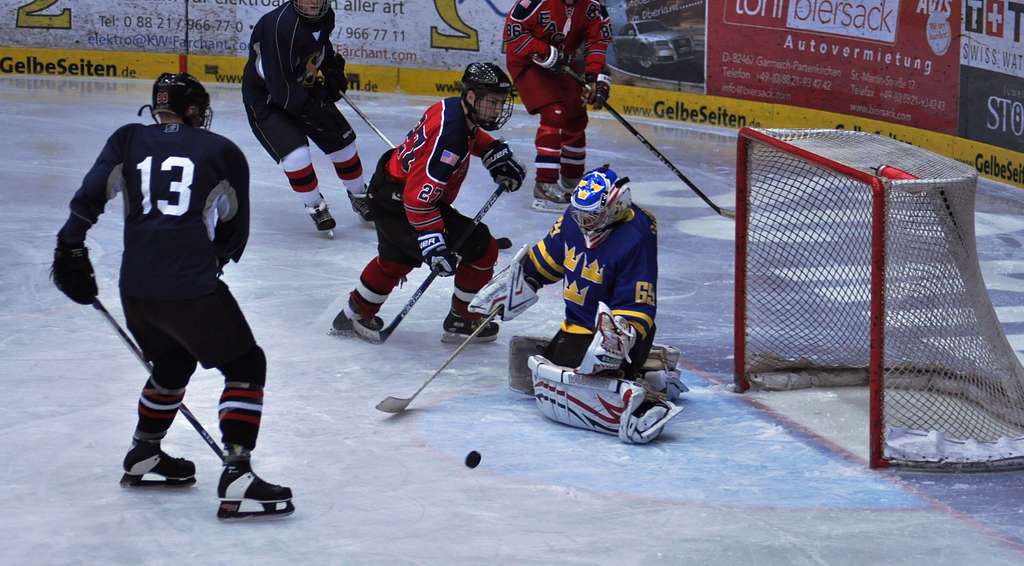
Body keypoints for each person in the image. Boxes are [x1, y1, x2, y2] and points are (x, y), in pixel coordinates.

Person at [50, 73, 293, 520]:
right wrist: (210, 263)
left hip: (135, 289)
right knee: (245, 364)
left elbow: (88, 197)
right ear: (195, 111)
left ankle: (144, 453)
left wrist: (69, 247)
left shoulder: (127, 139)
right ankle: (238, 474)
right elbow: (233, 232)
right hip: (189, 287)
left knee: (173, 363)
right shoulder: (221, 150)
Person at [469, 165, 685, 443]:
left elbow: (638, 302)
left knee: (576, 380)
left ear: (615, 207)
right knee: (540, 369)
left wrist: (617, 338)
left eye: (591, 215)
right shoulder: (573, 220)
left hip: (615, 334)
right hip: (577, 327)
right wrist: (515, 284)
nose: (584, 221)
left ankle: (648, 386)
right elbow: (547, 257)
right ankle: (653, 369)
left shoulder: (636, 234)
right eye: (580, 213)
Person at [331, 62, 526, 343]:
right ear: (471, 97)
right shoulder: (452, 140)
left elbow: (471, 135)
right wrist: (432, 241)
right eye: (492, 102)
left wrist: (492, 151)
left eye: (500, 103)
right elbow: (417, 198)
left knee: (395, 260)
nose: (497, 110)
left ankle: (353, 314)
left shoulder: (451, 107)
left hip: (386, 192)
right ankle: (463, 319)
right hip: (405, 203)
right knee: (482, 247)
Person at [242, 0, 371, 235]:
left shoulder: (325, 17)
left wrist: (331, 67)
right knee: (296, 156)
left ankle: (360, 194)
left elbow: (319, 46)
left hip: (301, 88)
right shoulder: (280, 27)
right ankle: (315, 205)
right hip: (268, 100)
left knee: (343, 144)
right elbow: (281, 87)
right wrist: (315, 102)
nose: (311, 2)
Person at [504, 0, 613, 211]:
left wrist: (594, 78)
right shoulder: (534, 3)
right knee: (554, 114)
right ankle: (545, 185)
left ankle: (572, 182)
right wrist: (546, 51)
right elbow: (513, 33)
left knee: (576, 117)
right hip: (528, 61)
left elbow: (597, 41)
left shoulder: (594, 6)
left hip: (565, 63)